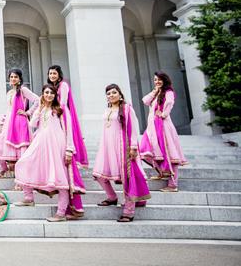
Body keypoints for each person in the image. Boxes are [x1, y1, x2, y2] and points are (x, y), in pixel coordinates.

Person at [14, 84, 85, 222]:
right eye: (46, 92)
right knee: (23, 163)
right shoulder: (42, 108)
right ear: (42, 94)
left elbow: (69, 130)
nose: (49, 95)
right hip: (40, 144)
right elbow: (32, 124)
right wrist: (39, 108)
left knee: (60, 177)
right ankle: (28, 198)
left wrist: (69, 149)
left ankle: (61, 213)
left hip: (57, 145)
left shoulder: (61, 110)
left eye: (51, 93)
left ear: (55, 96)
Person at [93, 84, 151, 222]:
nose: (111, 95)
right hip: (107, 148)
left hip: (122, 146)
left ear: (120, 94)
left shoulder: (126, 108)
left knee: (127, 177)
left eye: (114, 92)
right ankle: (112, 197)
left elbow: (133, 127)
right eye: (108, 93)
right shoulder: (107, 110)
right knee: (98, 174)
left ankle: (129, 211)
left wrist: (133, 146)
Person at [47, 65, 87, 217]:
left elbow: (63, 102)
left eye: (54, 73)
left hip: (62, 119)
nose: (52, 75)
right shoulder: (53, 89)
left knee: (69, 171)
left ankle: (76, 208)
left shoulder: (63, 86)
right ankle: (71, 208)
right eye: (50, 73)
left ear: (59, 74)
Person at [139, 72, 188, 192]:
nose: (157, 82)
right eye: (155, 80)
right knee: (145, 150)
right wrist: (155, 91)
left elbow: (170, 103)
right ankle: (162, 172)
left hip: (163, 126)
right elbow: (145, 101)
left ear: (165, 80)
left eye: (159, 79)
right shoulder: (157, 93)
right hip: (152, 127)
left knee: (169, 153)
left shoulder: (168, 92)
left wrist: (164, 114)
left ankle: (173, 185)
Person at [0, 68, 39, 178]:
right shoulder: (10, 92)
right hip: (8, 123)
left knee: (19, 151)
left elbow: (37, 100)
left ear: (20, 79)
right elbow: (9, 109)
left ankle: (20, 177)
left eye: (15, 77)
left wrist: (28, 112)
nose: (13, 78)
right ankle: (5, 168)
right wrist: (2, 123)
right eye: (11, 77)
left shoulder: (23, 90)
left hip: (20, 123)